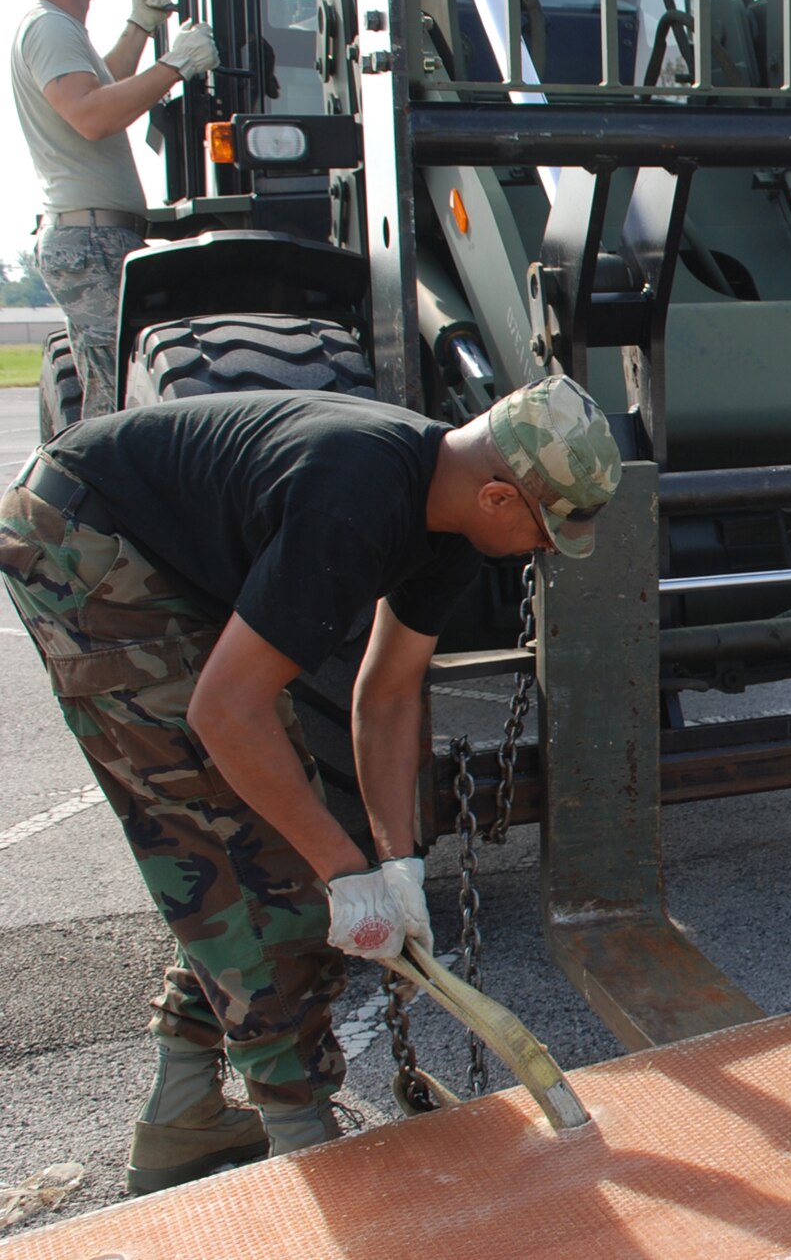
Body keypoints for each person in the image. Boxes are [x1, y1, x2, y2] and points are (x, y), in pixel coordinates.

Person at [0, 374, 621, 1192]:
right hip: (83, 538)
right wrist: (341, 867)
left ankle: (183, 1113)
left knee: (261, 844)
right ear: (502, 495)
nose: (542, 552)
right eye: (544, 533)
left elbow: (389, 689)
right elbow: (226, 713)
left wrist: (395, 864)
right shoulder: (355, 499)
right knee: (245, 856)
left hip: (146, 546)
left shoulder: (450, 514)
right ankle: (310, 1151)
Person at [4, 0, 220, 421]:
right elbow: (94, 115)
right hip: (91, 239)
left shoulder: (57, 26)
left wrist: (140, 26)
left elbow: (104, 85)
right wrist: (176, 65)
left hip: (95, 236)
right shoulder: (48, 26)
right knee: (117, 403)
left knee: (116, 393)